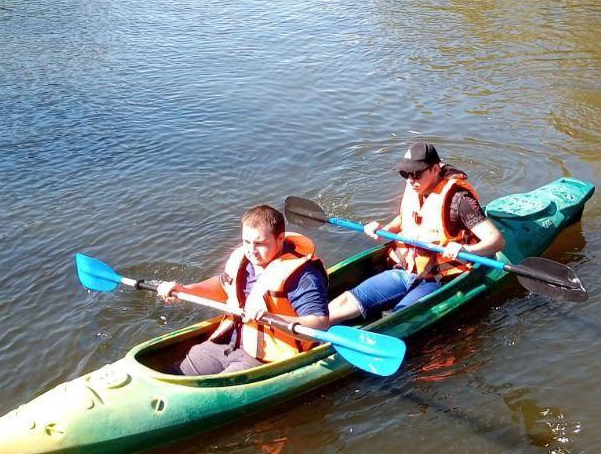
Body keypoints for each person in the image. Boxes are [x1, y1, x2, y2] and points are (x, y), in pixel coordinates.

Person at [328, 141, 504, 323]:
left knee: (397, 318)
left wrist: (465, 250)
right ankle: (308, 330)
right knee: (346, 300)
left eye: (416, 174)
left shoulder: (460, 200)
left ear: (435, 169)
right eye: (405, 174)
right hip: (405, 269)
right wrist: (385, 229)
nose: (410, 180)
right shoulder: (416, 188)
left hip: (439, 278)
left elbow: (496, 240)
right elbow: (410, 219)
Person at [159, 204, 329, 376]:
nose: (251, 250)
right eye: (246, 242)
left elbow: (319, 325)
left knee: (219, 390)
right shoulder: (245, 259)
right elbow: (224, 285)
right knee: (174, 373)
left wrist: (269, 317)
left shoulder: (303, 276)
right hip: (227, 341)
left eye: (260, 243)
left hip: (267, 357)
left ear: (280, 239)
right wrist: (185, 289)